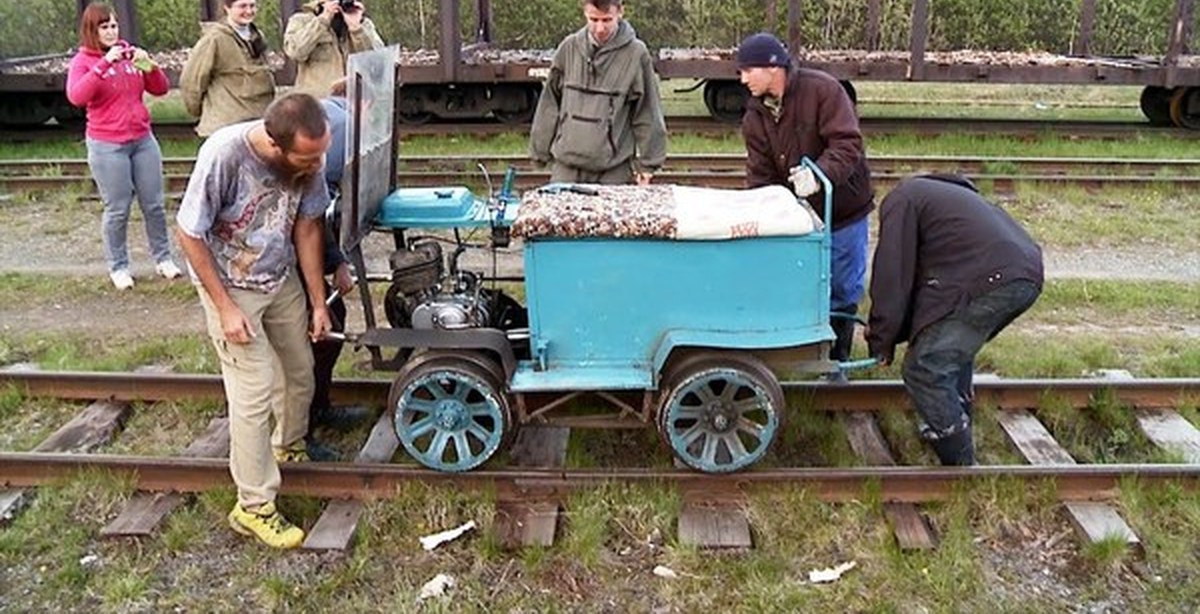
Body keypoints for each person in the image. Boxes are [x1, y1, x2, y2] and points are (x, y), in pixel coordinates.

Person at [175, 93, 333, 548]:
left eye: (320, 153)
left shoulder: (309, 159)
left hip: (276, 275)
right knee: (254, 389)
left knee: (300, 368)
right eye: (306, 157)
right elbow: (189, 232)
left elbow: (306, 227)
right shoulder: (224, 155)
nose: (315, 164)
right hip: (229, 282)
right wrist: (224, 307)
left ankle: (287, 446)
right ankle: (253, 506)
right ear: (275, 144)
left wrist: (318, 301)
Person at [866, 174, 1043, 466]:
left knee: (925, 367)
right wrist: (891, 334)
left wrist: (880, 341)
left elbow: (893, 276)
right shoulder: (940, 198)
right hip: (1022, 271)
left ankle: (960, 466)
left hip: (992, 277)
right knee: (947, 350)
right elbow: (924, 298)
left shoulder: (900, 201)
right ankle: (954, 423)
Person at [735, 33, 873, 375]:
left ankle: (837, 360)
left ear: (771, 66)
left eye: (747, 70)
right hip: (797, 218)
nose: (742, 79)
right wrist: (764, 211)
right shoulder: (755, 116)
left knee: (842, 286)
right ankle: (801, 354)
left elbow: (847, 143)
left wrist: (819, 174)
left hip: (843, 210)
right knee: (799, 284)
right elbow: (761, 174)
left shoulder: (823, 90)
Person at [66, 2, 181, 290]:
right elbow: (77, 96)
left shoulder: (129, 55)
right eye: (104, 27)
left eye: (114, 26)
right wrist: (104, 64)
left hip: (142, 139)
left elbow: (160, 88)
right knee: (117, 208)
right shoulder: (84, 61)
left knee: (154, 204)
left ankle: (163, 258)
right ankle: (118, 266)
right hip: (108, 145)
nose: (110, 31)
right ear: (92, 31)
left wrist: (150, 64)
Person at [529, 0, 667, 185]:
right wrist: (540, 151)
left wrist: (648, 164)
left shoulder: (636, 54)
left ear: (620, 13)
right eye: (593, 19)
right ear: (584, 13)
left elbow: (647, 110)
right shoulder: (568, 48)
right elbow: (549, 104)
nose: (600, 28)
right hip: (567, 167)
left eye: (607, 20)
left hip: (613, 169)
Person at [179, 0, 277, 137]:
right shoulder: (214, 39)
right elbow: (192, 81)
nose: (249, 11)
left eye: (252, 6)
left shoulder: (257, 36)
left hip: (257, 125)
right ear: (227, 8)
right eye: (242, 6)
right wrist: (201, 112)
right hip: (226, 128)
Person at [283, 0, 385, 98]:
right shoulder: (302, 20)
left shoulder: (363, 23)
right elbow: (294, 51)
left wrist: (356, 29)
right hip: (317, 105)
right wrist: (322, 20)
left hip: (353, 104)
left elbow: (377, 63)